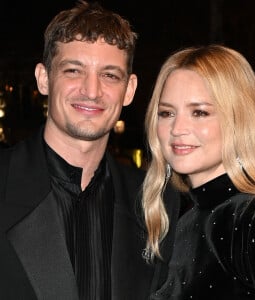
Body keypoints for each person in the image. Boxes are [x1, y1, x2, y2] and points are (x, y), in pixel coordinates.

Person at [0, 1, 180, 299]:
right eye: (73, 70)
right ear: (44, 79)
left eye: (110, 75)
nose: (92, 91)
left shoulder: (155, 203)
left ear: (130, 89)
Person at [142, 44, 255, 299]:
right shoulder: (179, 219)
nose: (178, 128)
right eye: (167, 112)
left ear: (239, 120)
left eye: (200, 112)